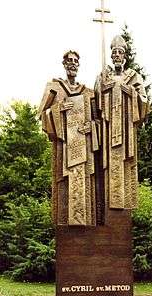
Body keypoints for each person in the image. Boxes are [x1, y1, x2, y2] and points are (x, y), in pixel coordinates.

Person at [38, 51, 98, 226]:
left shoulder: (88, 93)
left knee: (85, 189)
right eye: (69, 61)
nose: (72, 63)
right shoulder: (54, 88)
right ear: (64, 64)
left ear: (78, 65)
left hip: (84, 151)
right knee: (64, 188)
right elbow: (42, 114)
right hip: (63, 149)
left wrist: (92, 127)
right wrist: (59, 109)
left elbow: (97, 121)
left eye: (75, 61)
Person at [95, 35, 149, 214]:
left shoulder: (133, 76)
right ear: (111, 55)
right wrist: (101, 87)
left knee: (126, 167)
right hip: (109, 130)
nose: (117, 55)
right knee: (109, 166)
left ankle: (124, 200)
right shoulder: (104, 75)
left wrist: (129, 91)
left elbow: (144, 101)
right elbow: (95, 103)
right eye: (114, 52)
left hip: (126, 132)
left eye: (120, 52)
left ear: (125, 56)